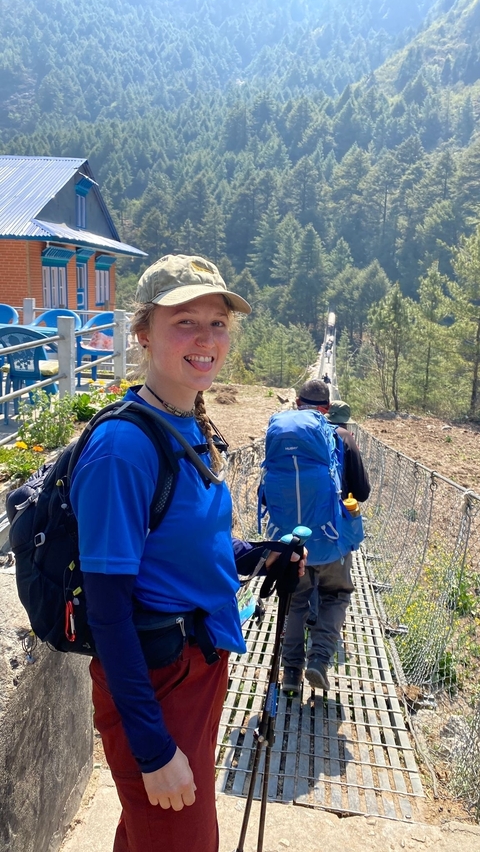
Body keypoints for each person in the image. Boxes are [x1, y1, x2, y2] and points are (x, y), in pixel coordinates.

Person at [70, 254, 305, 852]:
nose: (207, 339)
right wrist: (151, 747)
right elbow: (108, 611)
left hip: (195, 663)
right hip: (156, 684)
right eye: (185, 322)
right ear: (144, 333)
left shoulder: (185, 422)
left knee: (157, 836)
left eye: (219, 323)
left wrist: (255, 555)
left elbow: (183, 543)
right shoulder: (124, 449)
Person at [281, 379, 370, 695]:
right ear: (328, 408)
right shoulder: (342, 436)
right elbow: (362, 492)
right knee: (336, 594)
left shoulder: (285, 434)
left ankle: (290, 673)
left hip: (292, 540)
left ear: (296, 403)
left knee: (295, 603)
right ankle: (318, 660)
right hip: (333, 541)